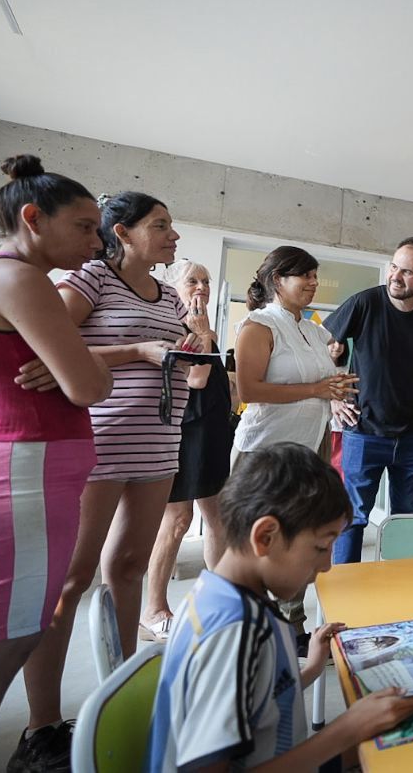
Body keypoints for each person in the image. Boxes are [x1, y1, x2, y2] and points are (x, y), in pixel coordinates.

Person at [14, 190, 200, 770]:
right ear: (122, 232)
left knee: (127, 570)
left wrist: (189, 357)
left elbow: (172, 360)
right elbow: (49, 345)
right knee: (70, 581)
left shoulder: (171, 295)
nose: (173, 236)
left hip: (158, 443)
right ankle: (42, 727)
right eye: (161, 225)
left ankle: (120, 691)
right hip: (96, 442)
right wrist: (140, 351)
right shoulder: (91, 279)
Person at [0, 155, 111, 772]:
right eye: (86, 226)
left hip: (9, 482)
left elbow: (75, 375)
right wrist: (95, 365)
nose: (97, 240)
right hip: (18, 485)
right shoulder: (20, 278)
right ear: (33, 219)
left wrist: (79, 364)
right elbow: (88, 386)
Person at [146, 442, 413, 771]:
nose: (327, 565)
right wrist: (344, 730)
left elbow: (250, 700)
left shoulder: (222, 597)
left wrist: (310, 668)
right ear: (266, 536)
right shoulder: (233, 633)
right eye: (321, 546)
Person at [233, 245, 358, 630]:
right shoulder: (258, 326)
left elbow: (320, 384)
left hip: (310, 446)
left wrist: (334, 390)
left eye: (315, 275)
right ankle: (247, 625)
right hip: (265, 450)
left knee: (299, 540)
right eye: (304, 275)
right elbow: (249, 390)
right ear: (277, 281)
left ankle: (291, 625)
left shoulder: (314, 330)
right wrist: (319, 389)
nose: (313, 282)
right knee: (258, 543)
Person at [322, 237, 413, 564]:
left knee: (406, 521)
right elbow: (320, 344)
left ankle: (399, 595)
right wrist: (333, 397)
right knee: (352, 517)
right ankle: (345, 597)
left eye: (406, 272)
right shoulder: (364, 303)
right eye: (393, 266)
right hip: (362, 431)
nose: (394, 276)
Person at [140, 260, 234, 642]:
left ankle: (222, 600)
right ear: (173, 286)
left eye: (206, 280)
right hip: (182, 427)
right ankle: (153, 610)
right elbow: (196, 379)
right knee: (177, 519)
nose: (201, 287)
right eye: (192, 280)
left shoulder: (205, 327)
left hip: (212, 428)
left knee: (216, 515)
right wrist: (201, 334)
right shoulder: (174, 325)